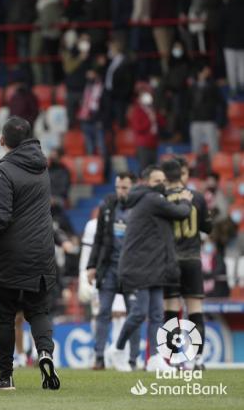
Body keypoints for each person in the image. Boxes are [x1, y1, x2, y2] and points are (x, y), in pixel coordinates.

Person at [0, 116, 60, 391]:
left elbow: (1, 214)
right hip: (41, 252)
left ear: (2, 141)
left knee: (4, 316)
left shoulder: (2, 171)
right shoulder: (41, 166)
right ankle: (45, 354)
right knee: (38, 311)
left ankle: (6, 377)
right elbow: (9, 199)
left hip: (10, 255)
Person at [106, 165, 192, 372]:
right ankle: (116, 349)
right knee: (139, 313)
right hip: (138, 266)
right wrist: (186, 200)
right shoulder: (152, 199)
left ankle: (154, 358)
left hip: (153, 264)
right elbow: (181, 213)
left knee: (155, 314)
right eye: (156, 181)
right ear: (147, 183)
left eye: (163, 180)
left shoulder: (149, 199)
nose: (161, 184)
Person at [86, 172, 141, 370]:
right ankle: (99, 357)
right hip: (109, 268)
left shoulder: (141, 207)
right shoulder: (108, 205)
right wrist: (91, 266)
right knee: (103, 313)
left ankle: (133, 359)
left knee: (135, 315)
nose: (120, 191)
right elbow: (99, 238)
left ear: (133, 187)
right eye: (118, 187)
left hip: (131, 270)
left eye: (124, 188)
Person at [162, 158, 212, 370]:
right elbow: (207, 228)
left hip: (170, 260)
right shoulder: (198, 197)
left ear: (165, 177)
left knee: (171, 311)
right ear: (183, 175)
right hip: (192, 259)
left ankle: (173, 361)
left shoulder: (161, 198)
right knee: (195, 311)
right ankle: (197, 359)